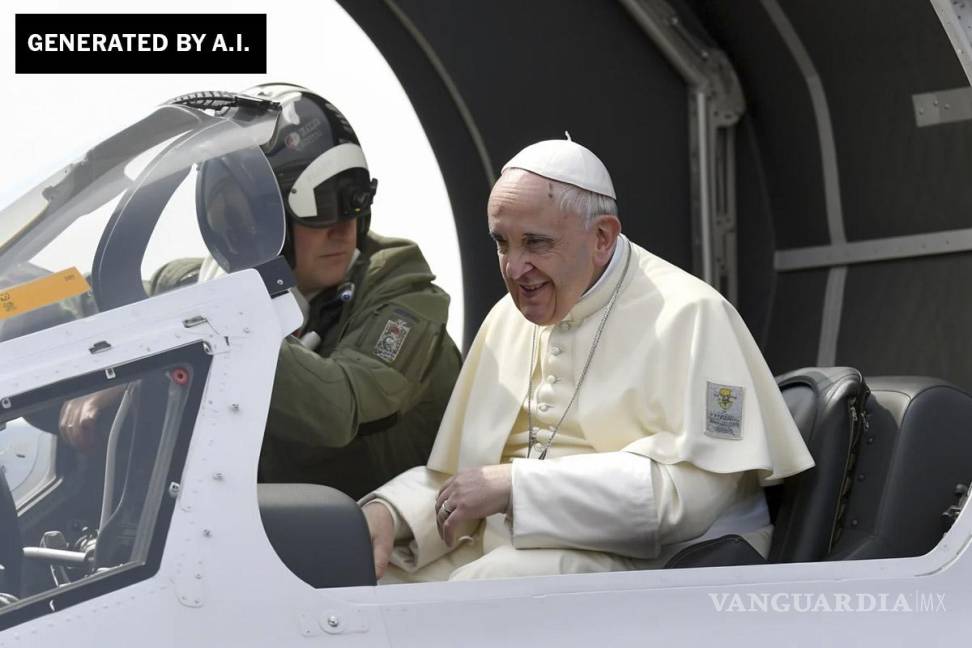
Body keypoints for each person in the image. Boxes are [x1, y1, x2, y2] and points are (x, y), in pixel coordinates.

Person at [360, 138, 814, 582]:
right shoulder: (506, 318)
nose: (515, 269)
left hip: (661, 564)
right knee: (372, 585)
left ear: (601, 238)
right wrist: (393, 513)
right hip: (514, 551)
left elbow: (690, 500)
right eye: (503, 243)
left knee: (489, 587)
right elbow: (466, 478)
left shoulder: (692, 315)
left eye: (536, 244)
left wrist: (518, 487)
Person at [60, 84, 462, 499]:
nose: (343, 228)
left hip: (393, 552)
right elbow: (81, 303)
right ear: (251, 218)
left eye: (353, 202)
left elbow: (339, 408)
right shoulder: (197, 286)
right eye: (320, 206)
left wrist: (173, 341)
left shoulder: (404, 295)